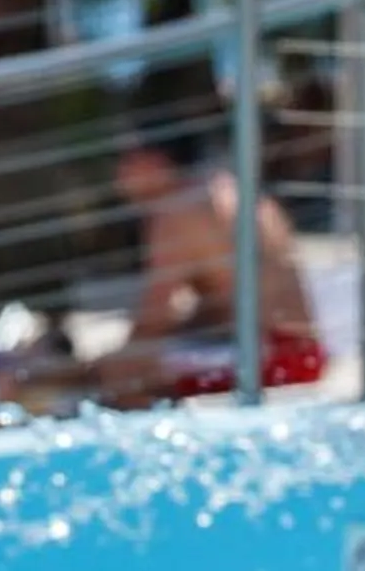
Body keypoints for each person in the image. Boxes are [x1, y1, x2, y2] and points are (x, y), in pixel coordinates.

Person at [100, 105, 325, 406]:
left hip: (273, 365)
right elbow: (227, 303)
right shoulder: (226, 190)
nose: (119, 174)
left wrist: (92, 367)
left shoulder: (176, 211)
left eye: (125, 159)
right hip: (302, 355)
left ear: (156, 161)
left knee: (127, 373)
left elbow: (154, 318)